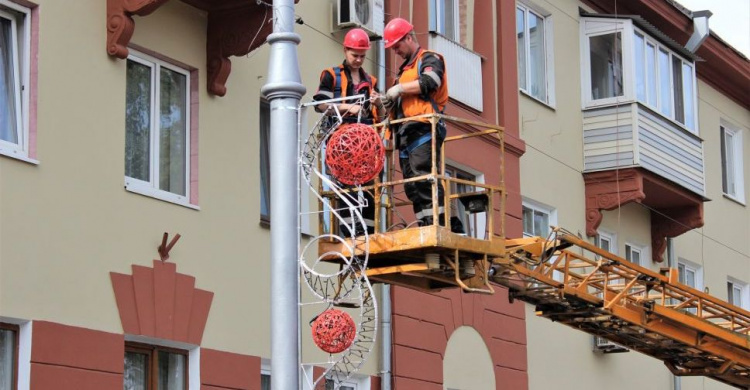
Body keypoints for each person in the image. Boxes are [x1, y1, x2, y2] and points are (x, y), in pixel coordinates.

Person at [382, 18, 464, 234]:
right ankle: (427, 227)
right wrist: (385, 100)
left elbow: (431, 81)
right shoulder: (403, 72)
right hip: (405, 134)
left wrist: (399, 89)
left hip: (424, 129)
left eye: (397, 46)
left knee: (425, 178)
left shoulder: (429, 59)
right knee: (412, 186)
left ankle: (444, 227)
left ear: (409, 38)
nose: (396, 51)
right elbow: (401, 103)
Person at [313, 28, 385, 236]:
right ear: (345, 50)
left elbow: (381, 117)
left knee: (369, 190)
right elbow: (320, 104)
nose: (359, 60)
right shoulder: (331, 75)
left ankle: (367, 234)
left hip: (366, 144)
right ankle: (349, 234)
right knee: (346, 191)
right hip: (342, 143)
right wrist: (348, 107)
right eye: (355, 55)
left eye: (363, 56)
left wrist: (379, 103)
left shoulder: (371, 81)